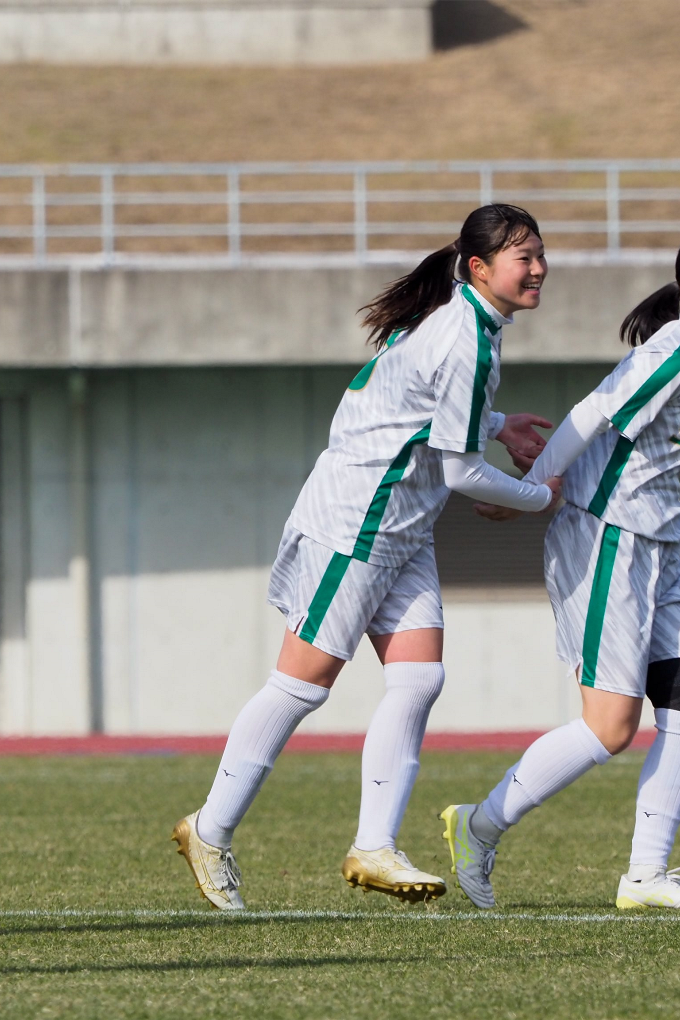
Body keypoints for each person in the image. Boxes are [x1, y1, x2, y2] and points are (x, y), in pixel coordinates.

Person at [172, 204, 563, 911]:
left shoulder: (463, 319)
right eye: (522, 257)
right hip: (355, 520)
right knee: (304, 682)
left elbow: (414, 406)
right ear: (479, 268)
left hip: (401, 527)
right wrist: (541, 497)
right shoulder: (464, 334)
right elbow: (460, 473)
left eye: (539, 254)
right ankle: (210, 827)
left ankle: (374, 846)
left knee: (419, 678)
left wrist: (501, 423)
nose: (537, 268)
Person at [439, 224, 680, 910]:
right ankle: (479, 824)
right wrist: (534, 495)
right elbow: (596, 412)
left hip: (663, 550)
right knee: (610, 728)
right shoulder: (679, 346)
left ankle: (645, 877)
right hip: (608, 537)